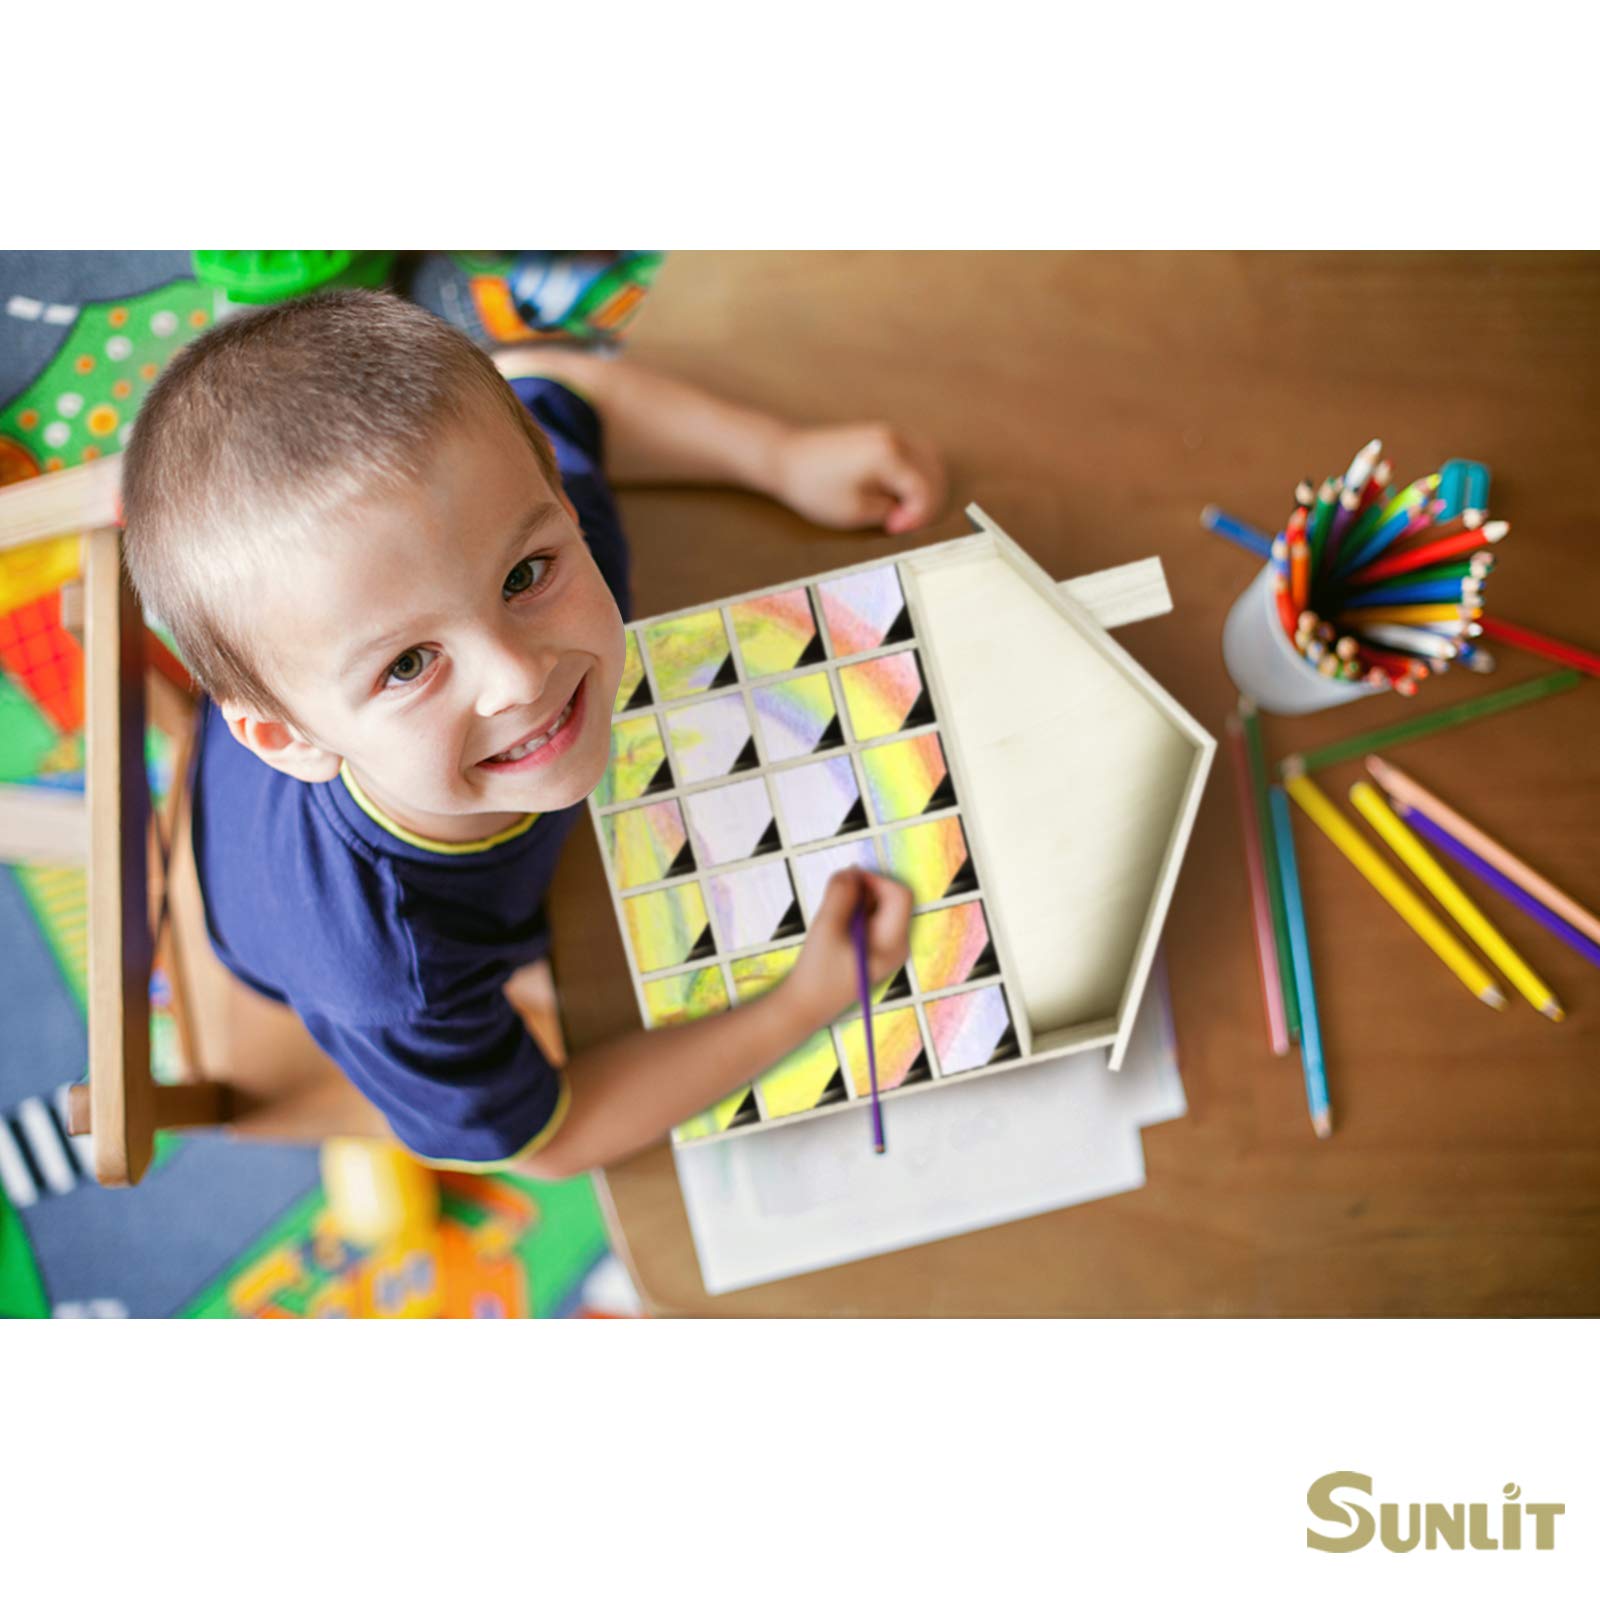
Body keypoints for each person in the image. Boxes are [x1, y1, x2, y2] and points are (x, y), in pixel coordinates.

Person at [121, 289, 945, 1177]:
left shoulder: (502, 511)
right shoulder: (390, 978)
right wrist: (802, 1004)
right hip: (272, 909)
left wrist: (781, 458)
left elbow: (553, 385)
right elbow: (547, 1141)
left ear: (548, 485)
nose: (520, 676)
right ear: (293, 738)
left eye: (526, 575)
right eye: (407, 666)